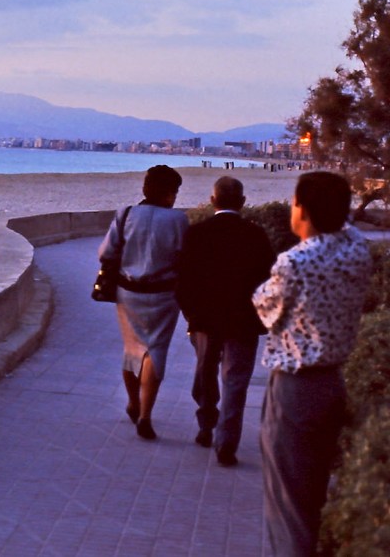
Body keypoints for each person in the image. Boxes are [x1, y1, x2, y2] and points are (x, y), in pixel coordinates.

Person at [253, 171, 373, 557]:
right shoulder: (356, 249)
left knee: (288, 506)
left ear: (303, 210)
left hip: (296, 387)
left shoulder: (295, 262)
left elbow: (265, 308)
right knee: (312, 493)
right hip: (332, 383)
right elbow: (345, 226)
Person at [176, 176, 275, 466]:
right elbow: (269, 280)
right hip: (243, 321)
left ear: (212, 200)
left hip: (205, 319)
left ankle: (206, 423)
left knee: (205, 371)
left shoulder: (197, 234)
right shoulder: (255, 235)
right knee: (236, 381)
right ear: (242, 202)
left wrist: (191, 314)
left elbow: (182, 280)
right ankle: (227, 441)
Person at [98, 165, 188, 440]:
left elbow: (105, 252)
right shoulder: (178, 220)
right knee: (155, 350)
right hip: (163, 294)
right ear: (170, 193)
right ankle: (146, 415)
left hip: (128, 292)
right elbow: (184, 257)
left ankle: (133, 403)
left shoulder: (126, 214)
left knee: (132, 348)